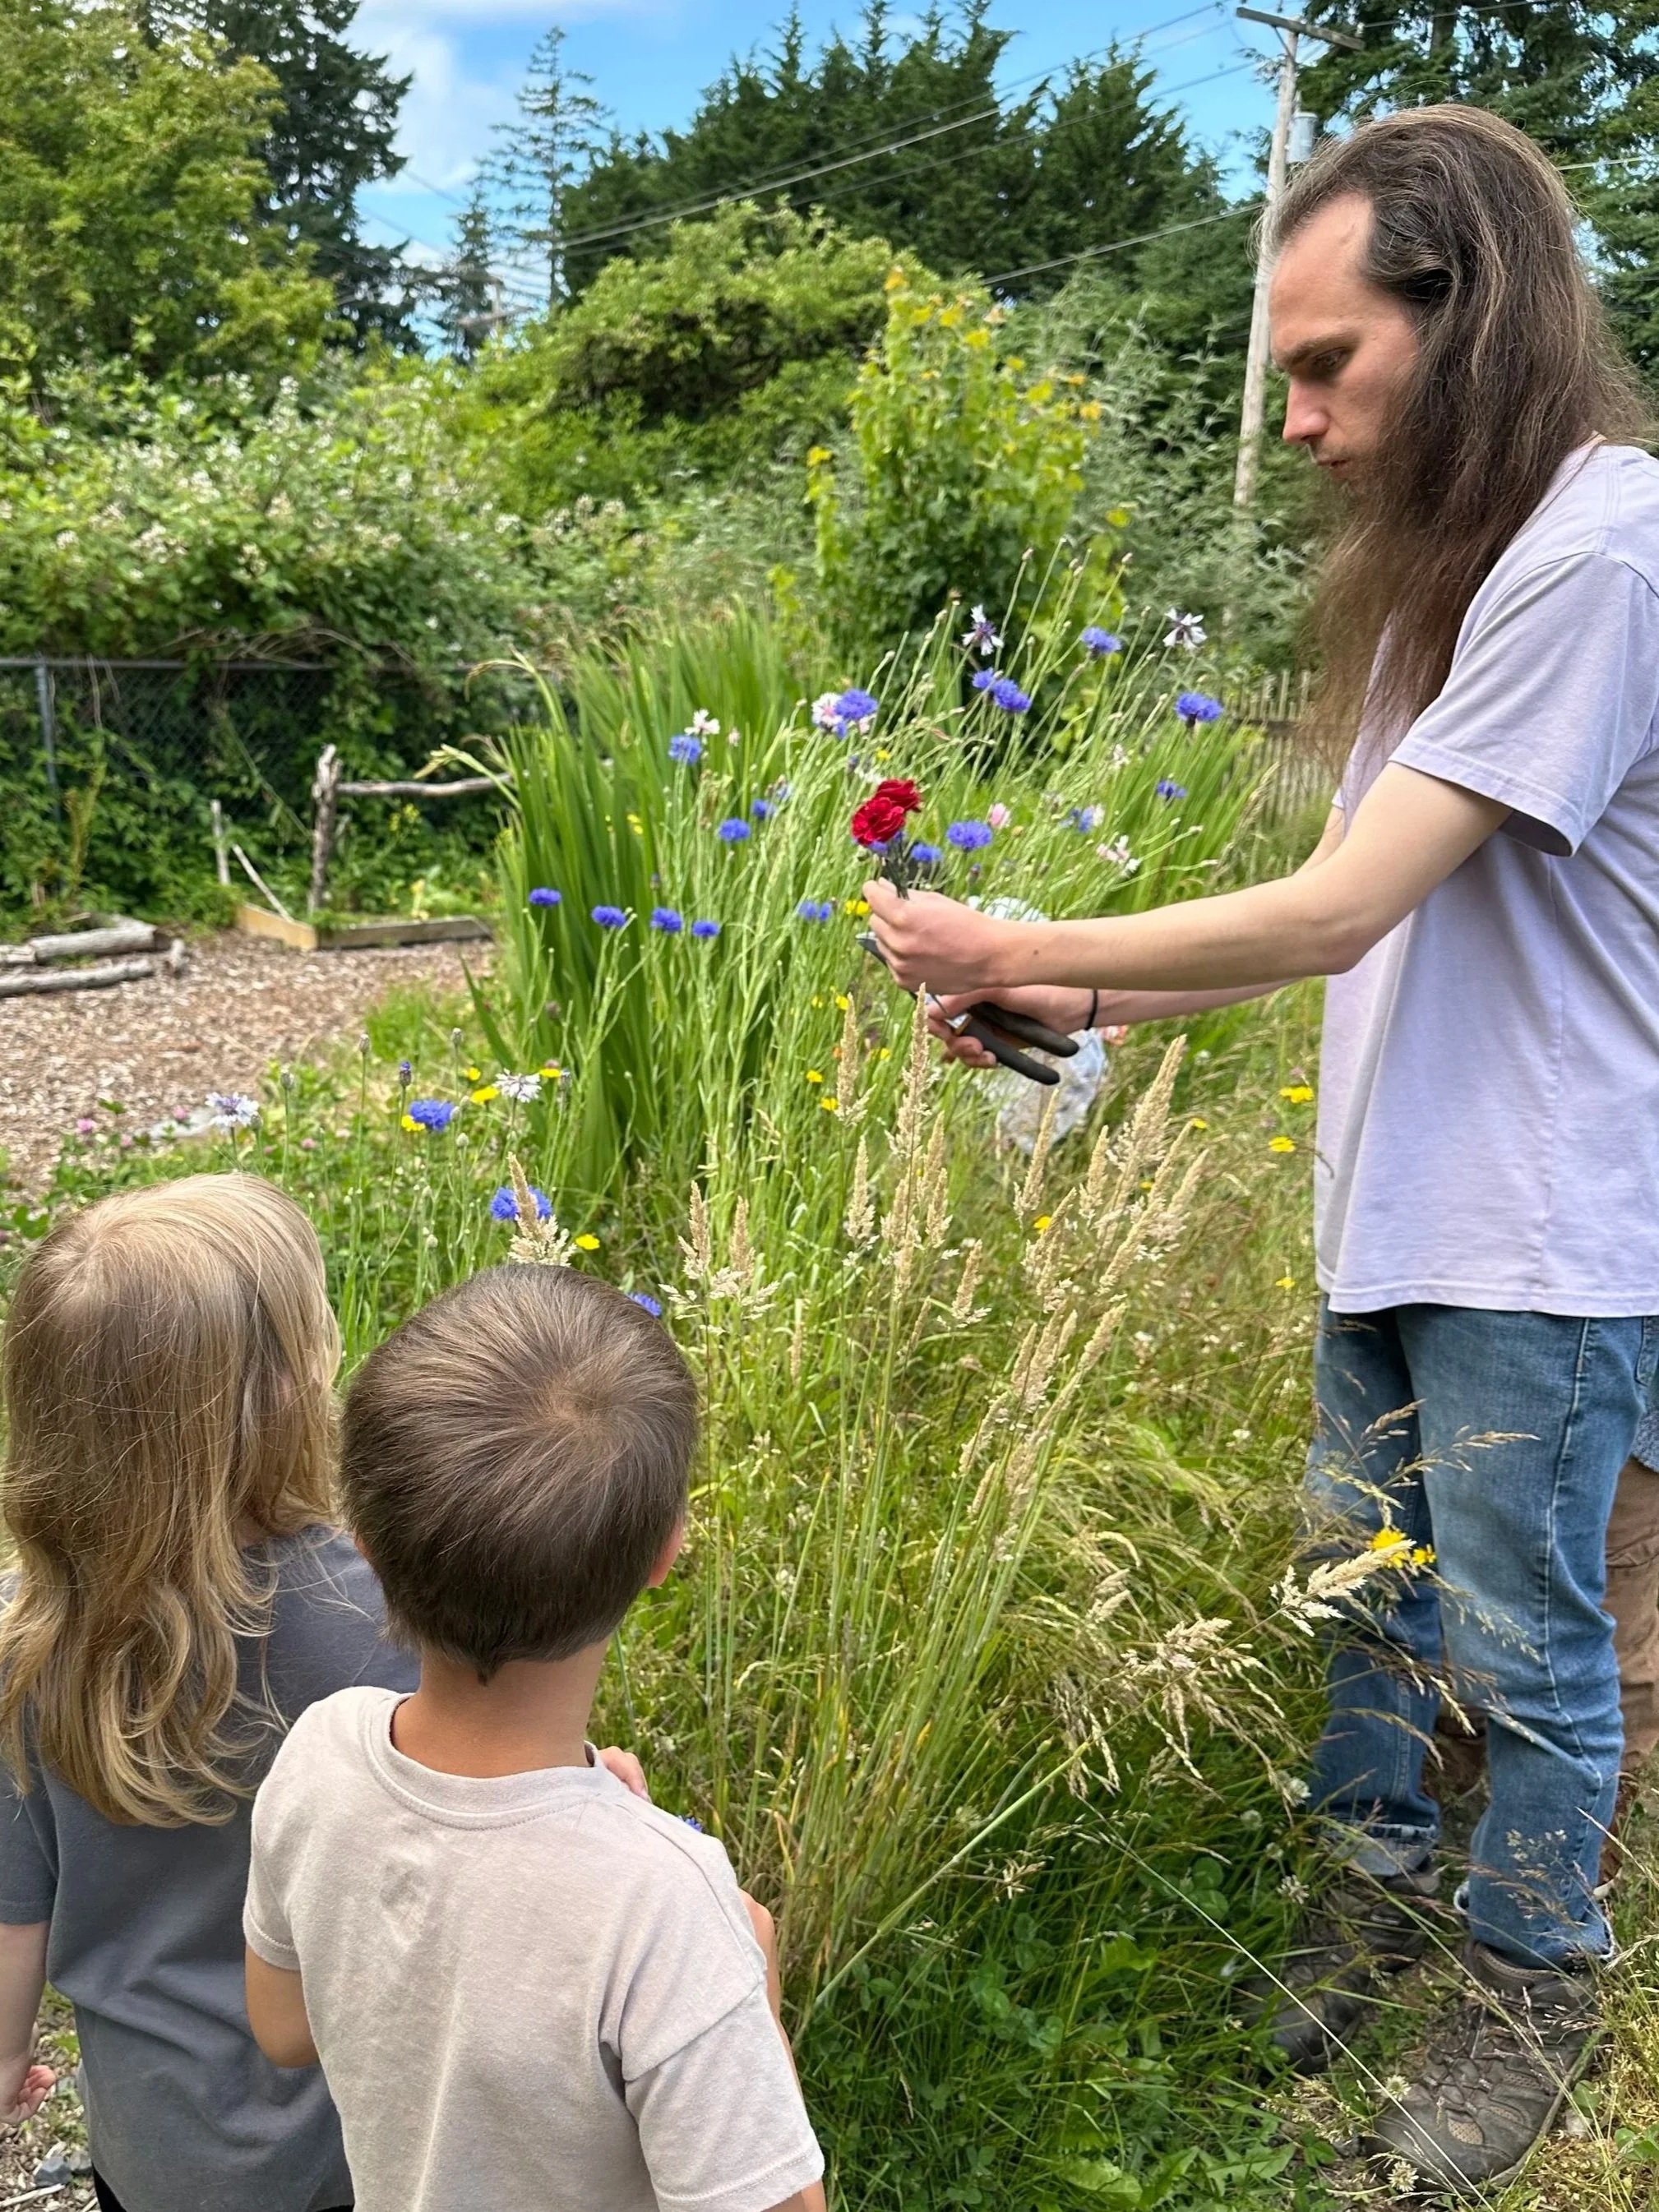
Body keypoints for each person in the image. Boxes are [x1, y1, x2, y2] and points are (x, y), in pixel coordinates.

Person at [866, 106, 1659, 2195]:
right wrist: (1071, 1012)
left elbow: (1326, 914)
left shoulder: (1602, 552)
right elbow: (1346, 915)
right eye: (1282, 374)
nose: (1298, 419)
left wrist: (1014, 931)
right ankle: (1366, 1899)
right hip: (1399, 1198)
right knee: (1360, 1592)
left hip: (1542, 1230)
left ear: (1466, 316)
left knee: (1524, 1635)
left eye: (1326, 364)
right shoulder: (1447, 579)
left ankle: (1523, 1985)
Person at [243, 1262, 826, 2212]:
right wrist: (745, 1980)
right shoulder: (668, 1912)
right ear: (663, 1555)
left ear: (366, 1543)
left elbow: (282, 2029)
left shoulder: (317, 1753)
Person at [0, 1175, 414, 2212]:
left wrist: (5, 2061)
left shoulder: (24, 1636)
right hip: (354, 2141)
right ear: (283, 1397)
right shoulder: (383, 1622)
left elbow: (10, 1914)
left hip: (154, 2150)